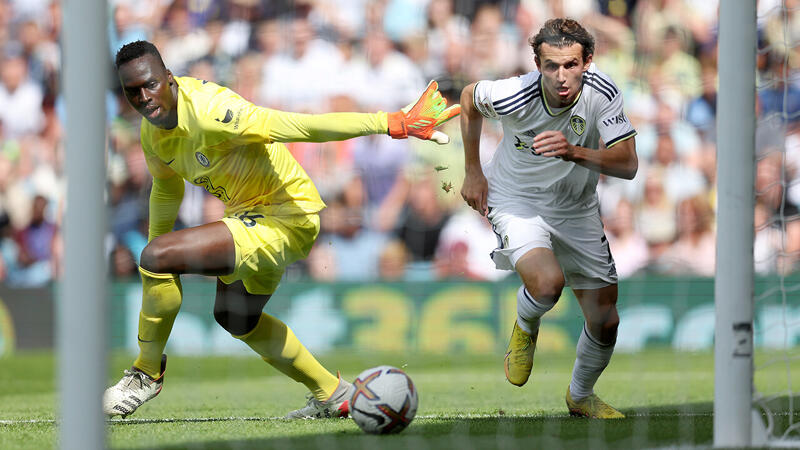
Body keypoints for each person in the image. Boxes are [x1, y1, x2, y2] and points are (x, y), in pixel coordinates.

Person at [103, 40, 459, 419]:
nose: (144, 97)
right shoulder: (152, 133)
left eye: (150, 84)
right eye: (132, 91)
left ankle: (145, 374)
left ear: (169, 79)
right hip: (249, 218)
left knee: (157, 258)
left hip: (287, 215)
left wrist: (388, 122)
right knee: (236, 318)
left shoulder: (213, 111)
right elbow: (167, 187)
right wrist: (157, 245)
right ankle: (332, 393)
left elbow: (297, 125)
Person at [459, 18, 637, 418]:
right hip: (516, 200)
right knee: (547, 284)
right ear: (536, 63)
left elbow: (628, 164)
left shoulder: (603, 93)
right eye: (551, 65)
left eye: (571, 65)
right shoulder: (514, 95)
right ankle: (525, 324)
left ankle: (580, 395)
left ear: (587, 61)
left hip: (576, 207)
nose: (561, 76)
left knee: (605, 321)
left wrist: (574, 151)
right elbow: (469, 98)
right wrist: (473, 170)